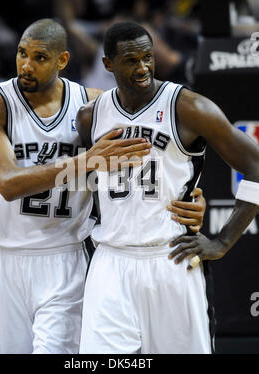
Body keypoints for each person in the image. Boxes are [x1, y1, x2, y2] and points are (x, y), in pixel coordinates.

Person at [0, 19, 205, 354]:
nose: (26, 64)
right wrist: (86, 161)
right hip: (2, 259)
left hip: (65, 257)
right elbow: (6, 183)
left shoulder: (93, 107)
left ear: (62, 61)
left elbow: (154, 164)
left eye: (39, 57)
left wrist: (189, 197)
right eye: (22, 53)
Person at [76, 21, 259, 354]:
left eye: (148, 57)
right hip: (111, 262)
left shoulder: (187, 106)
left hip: (171, 257)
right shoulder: (91, 117)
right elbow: (86, 188)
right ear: (108, 65)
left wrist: (223, 240)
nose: (143, 67)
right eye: (131, 61)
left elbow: (255, 165)